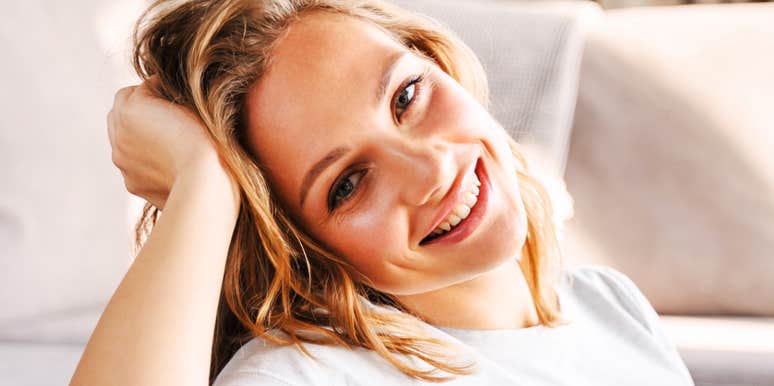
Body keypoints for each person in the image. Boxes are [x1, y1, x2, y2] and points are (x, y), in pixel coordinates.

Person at [71, 0, 695, 385]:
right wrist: (203, 183)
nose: (429, 171)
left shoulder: (609, 304)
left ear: (440, 62)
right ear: (301, 243)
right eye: (346, 184)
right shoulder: (311, 375)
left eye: (406, 97)